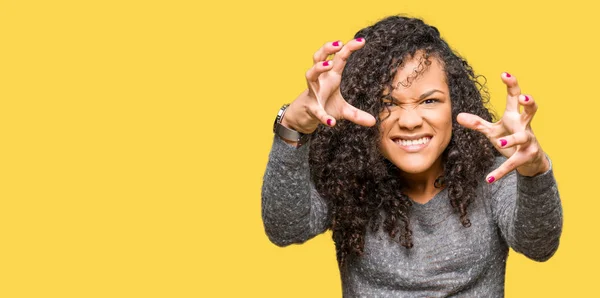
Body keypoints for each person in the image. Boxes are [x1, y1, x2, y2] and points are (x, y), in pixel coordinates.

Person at [261, 15, 562, 297]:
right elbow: (286, 229)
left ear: (454, 107)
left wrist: (534, 171)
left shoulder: (494, 176)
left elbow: (539, 245)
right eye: (387, 103)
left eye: (429, 100)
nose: (409, 121)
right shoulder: (347, 173)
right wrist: (292, 128)